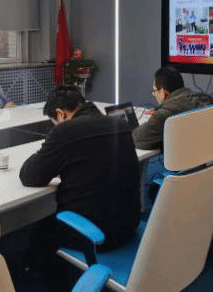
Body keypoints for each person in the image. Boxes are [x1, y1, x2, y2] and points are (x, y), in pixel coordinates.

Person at [19, 86, 140, 291]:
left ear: (61, 113)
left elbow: (30, 176)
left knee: (40, 234)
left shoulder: (64, 131)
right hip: (130, 223)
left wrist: (50, 154)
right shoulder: (119, 124)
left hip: (97, 235)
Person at [132, 66, 213, 150]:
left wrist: (157, 117)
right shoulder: (206, 100)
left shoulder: (164, 115)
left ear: (163, 92)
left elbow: (136, 139)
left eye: (155, 91)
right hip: (205, 154)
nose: (155, 95)